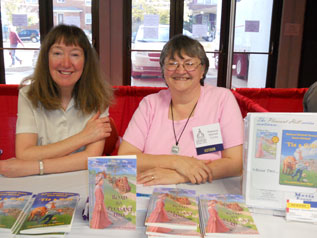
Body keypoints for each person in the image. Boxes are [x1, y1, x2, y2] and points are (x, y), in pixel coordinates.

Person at [118, 34, 244, 185]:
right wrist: (177, 162)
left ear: (202, 70)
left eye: (189, 63)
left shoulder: (222, 99)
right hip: (152, 188)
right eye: (172, 63)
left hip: (208, 188)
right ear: (163, 70)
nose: (180, 70)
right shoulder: (150, 104)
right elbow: (125, 157)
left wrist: (180, 176)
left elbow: (236, 164)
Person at [0, 24, 113, 178]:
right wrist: (83, 137)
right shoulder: (28, 95)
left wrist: (35, 166)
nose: (66, 63)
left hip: (81, 180)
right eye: (58, 53)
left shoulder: (99, 97)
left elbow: (91, 159)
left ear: (86, 61)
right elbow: (24, 153)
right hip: (38, 181)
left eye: (75, 54)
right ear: (46, 58)